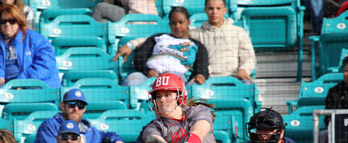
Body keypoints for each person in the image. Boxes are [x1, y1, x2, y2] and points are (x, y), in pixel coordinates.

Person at [113, 0, 256, 83]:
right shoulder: (195, 33)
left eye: (218, 8)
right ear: (205, 10)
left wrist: (244, 69)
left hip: (233, 77)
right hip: (208, 78)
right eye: (211, 8)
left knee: (248, 85)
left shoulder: (238, 32)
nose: (214, 12)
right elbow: (162, 38)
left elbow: (249, 56)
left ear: (225, 10)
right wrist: (131, 44)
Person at [33, 89, 127, 143]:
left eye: (80, 106)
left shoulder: (87, 129)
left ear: (84, 109)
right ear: (62, 106)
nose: (76, 109)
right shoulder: (50, 126)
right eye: (71, 104)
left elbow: (106, 135)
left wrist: (118, 141)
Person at [123, 6, 209, 86]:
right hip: (150, 75)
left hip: (175, 76)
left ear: (188, 23)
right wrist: (147, 70)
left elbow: (202, 67)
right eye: (173, 23)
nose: (177, 26)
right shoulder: (159, 38)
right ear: (169, 24)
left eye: (181, 22)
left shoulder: (196, 45)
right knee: (132, 79)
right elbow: (139, 58)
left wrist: (200, 75)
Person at [0, 4, 60, 89]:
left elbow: (45, 65)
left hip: (33, 88)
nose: (7, 24)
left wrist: (22, 82)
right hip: (4, 89)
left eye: (12, 21)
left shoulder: (36, 39)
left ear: (19, 21)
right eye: (3, 21)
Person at [91, 0, 158, 23]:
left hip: (137, 22)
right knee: (103, 22)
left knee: (100, 7)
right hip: (152, 21)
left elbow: (138, 14)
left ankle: (89, 38)